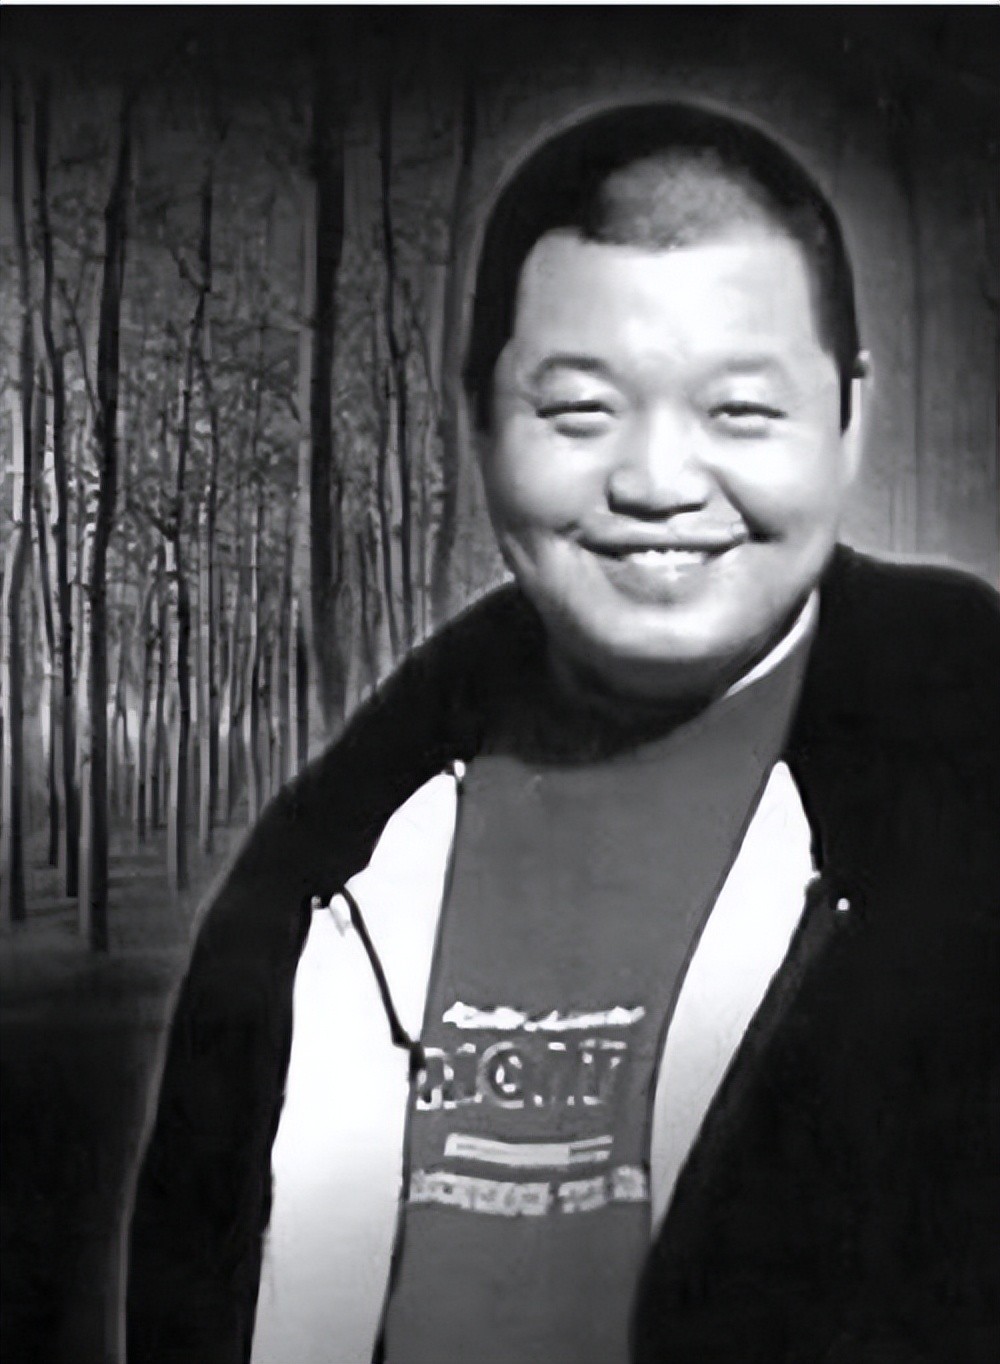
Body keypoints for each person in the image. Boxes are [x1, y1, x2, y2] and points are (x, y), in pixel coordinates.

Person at [126, 103, 999, 1364]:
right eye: (581, 410)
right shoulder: (341, 859)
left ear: (849, 417)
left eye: (740, 410)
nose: (657, 481)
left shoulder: (964, 796)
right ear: (481, 420)